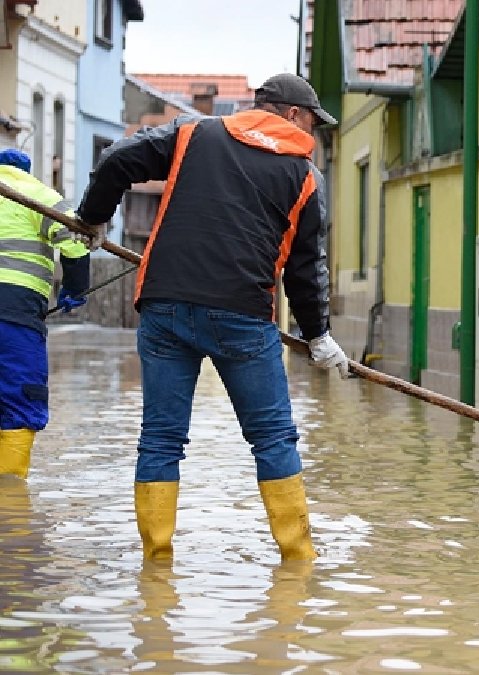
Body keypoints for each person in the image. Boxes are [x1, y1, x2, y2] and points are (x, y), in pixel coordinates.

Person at [76, 73, 348, 561]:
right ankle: (298, 563)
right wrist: (318, 335)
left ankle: (155, 567)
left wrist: (93, 219)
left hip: (165, 307)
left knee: (160, 439)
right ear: (290, 114)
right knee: (272, 439)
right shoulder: (306, 177)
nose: (314, 132)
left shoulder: (193, 133)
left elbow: (116, 160)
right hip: (242, 317)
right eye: (311, 120)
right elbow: (306, 269)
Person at [0, 148, 95, 479]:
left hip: (17, 311)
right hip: (15, 312)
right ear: (26, 170)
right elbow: (75, 242)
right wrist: (74, 289)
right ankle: (10, 501)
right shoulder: (38, 194)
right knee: (19, 397)